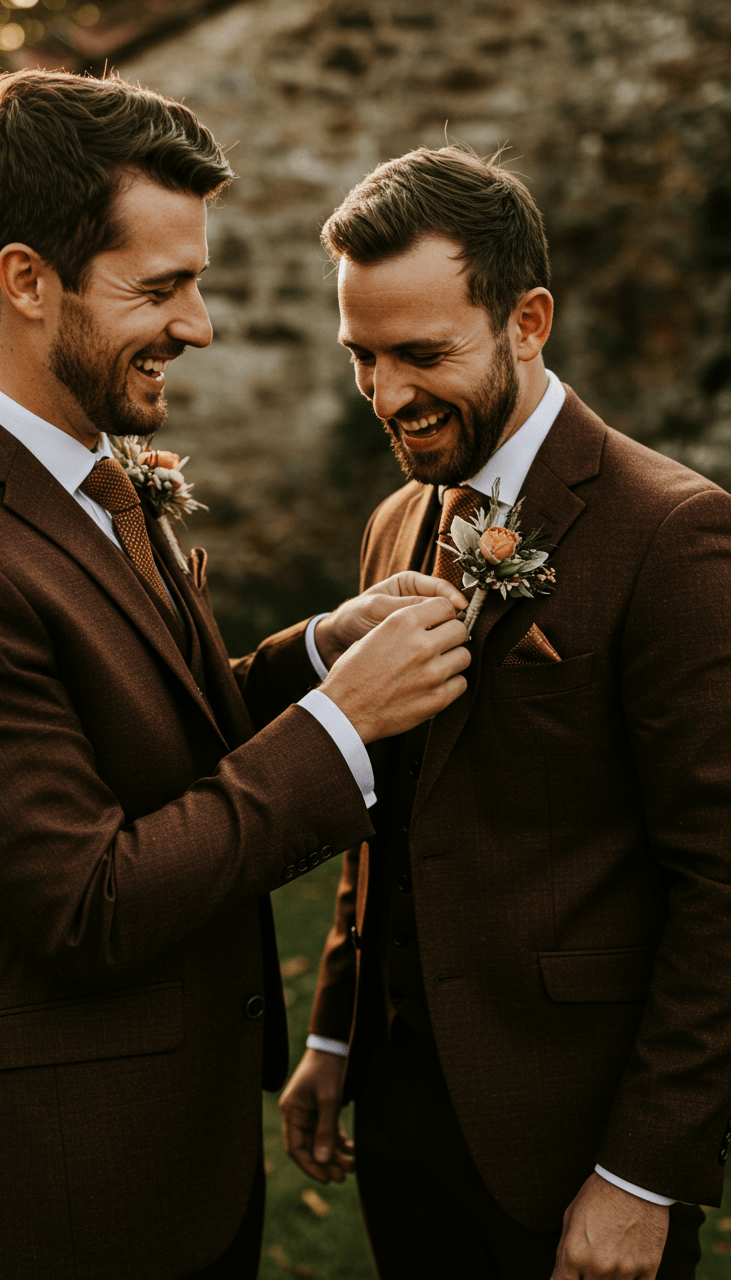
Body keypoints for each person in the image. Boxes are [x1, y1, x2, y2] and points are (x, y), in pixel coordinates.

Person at [0, 77, 471, 1280]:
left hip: (177, 1141)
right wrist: (342, 728)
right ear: (28, 280)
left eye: (197, 281)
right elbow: (89, 900)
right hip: (69, 1188)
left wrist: (319, 651)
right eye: (161, 287)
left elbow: (148, 731)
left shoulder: (88, 464)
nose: (200, 325)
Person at [278, 144, 731, 1280]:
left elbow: (721, 882)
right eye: (360, 357)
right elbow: (388, 809)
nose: (384, 395)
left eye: (420, 354)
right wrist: (334, 1028)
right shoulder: (395, 523)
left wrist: (643, 1172)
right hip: (400, 1111)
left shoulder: (672, 535)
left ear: (526, 321)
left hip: (569, 1140)